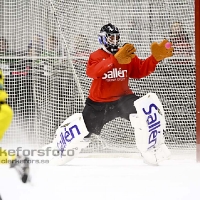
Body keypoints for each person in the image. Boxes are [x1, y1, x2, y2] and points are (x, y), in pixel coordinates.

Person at [44, 23, 173, 166]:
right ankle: (58, 148)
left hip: (123, 100)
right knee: (82, 132)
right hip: (98, 104)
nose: (115, 41)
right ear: (103, 39)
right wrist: (115, 59)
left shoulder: (126, 53)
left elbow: (140, 70)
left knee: (145, 111)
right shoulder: (95, 56)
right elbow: (93, 72)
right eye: (111, 38)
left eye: (116, 38)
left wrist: (155, 58)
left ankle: (152, 150)